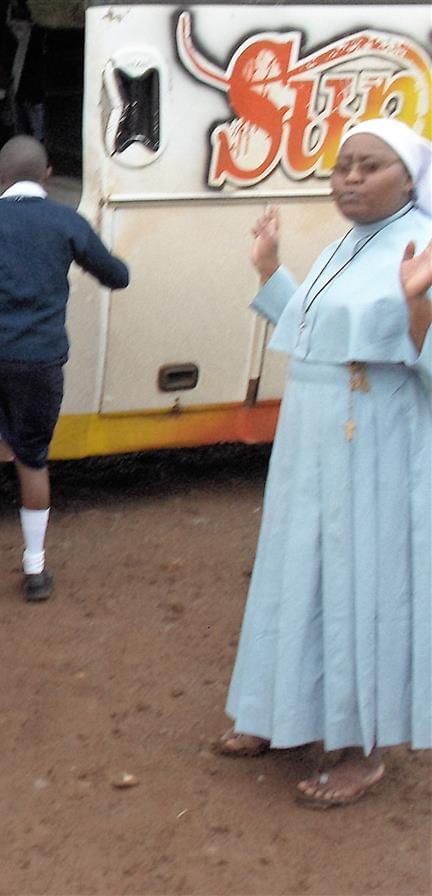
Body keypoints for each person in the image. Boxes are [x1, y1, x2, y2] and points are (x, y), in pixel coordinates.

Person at [216, 118, 431, 809]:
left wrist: (417, 304)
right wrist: (269, 270)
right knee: (295, 570)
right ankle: (279, 714)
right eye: (343, 166)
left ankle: (360, 748)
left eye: (371, 166)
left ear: (412, 180)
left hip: (372, 441)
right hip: (312, 439)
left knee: (361, 584)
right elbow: (317, 334)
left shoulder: (418, 247)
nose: (351, 178)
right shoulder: (349, 244)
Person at [0, 135, 129, 601]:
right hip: (43, 357)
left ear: (0, 178)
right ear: (46, 175)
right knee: (33, 458)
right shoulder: (66, 220)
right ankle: (35, 570)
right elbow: (116, 275)